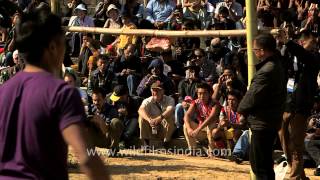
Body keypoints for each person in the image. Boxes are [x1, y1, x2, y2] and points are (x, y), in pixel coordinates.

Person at [0, 9, 107, 179]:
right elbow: (86, 157)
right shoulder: (61, 92)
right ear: (52, 46)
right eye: (63, 42)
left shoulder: (3, 91)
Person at [237, 34, 286, 179]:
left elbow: (253, 96)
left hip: (263, 122)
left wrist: (242, 111)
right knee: (263, 164)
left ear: (263, 50)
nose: (254, 52)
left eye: (255, 49)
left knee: (260, 165)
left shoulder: (267, 71)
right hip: (270, 120)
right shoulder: (276, 64)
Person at [278, 29, 320, 180]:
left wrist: (288, 42)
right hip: (286, 103)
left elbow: (305, 56)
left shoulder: (314, 57)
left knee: (296, 144)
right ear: (303, 42)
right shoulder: (290, 56)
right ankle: (300, 175)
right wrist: (282, 46)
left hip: (301, 106)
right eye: (313, 42)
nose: (315, 45)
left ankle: (294, 177)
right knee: (283, 138)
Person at [184, 82, 221, 156]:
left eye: (204, 93)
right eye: (199, 93)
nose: (201, 96)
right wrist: (189, 129)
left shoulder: (215, 104)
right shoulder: (196, 102)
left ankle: (212, 152)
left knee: (211, 125)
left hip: (216, 132)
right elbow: (186, 115)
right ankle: (193, 150)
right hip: (202, 131)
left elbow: (211, 118)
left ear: (210, 94)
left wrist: (198, 129)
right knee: (186, 125)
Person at [138, 80, 176, 151]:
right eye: (153, 90)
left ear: (163, 91)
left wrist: (159, 118)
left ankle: (166, 143)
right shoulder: (147, 100)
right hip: (152, 126)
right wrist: (149, 120)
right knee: (141, 117)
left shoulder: (170, 99)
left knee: (170, 118)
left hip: (163, 126)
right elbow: (140, 110)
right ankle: (146, 144)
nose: (154, 92)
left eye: (157, 90)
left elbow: (169, 110)